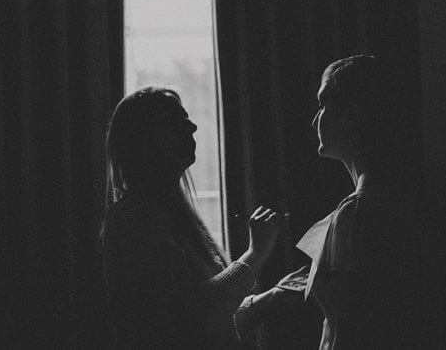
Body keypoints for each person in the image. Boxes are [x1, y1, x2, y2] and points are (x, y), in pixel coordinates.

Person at [102, 87, 304, 348]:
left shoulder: (169, 215)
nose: (193, 126)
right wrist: (256, 253)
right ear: (145, 140)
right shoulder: (134, 220)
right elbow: (196, 315)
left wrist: (274, 297)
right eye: (176, 121)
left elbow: (208, 327)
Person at [301, 55, 424, 348]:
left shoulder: (357, 214)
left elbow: (356, 327)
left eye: (323, 105)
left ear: (352, 115)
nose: (315, 118)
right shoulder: (396, 199)